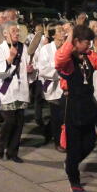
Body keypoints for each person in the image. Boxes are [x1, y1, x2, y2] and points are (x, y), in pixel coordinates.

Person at [55, 24, 97, 192]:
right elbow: (59, 59)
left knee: (90, 142)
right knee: (74, 146)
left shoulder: (89, 56)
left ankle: (70, 163)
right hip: (73, 106)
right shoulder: (67, 59)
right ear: (76, 41)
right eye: (86, 41)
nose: (89, 44)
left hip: (89, 104)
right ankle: (74, 180)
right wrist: (71, 34)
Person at [0, 21, 33, 163]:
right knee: (10, 121)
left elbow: (29, 69)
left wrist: (31, 70)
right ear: (5, 33)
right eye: (13, 31)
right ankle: (1, 145)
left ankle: (13, 152)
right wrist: (9, 59)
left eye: (17, 31)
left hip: (21, 90)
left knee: (19, 123)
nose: (17, 33)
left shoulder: (24, 48)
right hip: (7, 90)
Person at [36, 22, 66, 151]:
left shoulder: (67, 47)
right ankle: (57, 142)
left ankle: (49, 132)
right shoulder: (46, 49)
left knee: (64, 115)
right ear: (53, 35)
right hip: (53, 86)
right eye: (59, 31)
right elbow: (43, 70)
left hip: (67, 86)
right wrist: (59, 70)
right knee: (57, 115)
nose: (63, 33)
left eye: (62, 30)